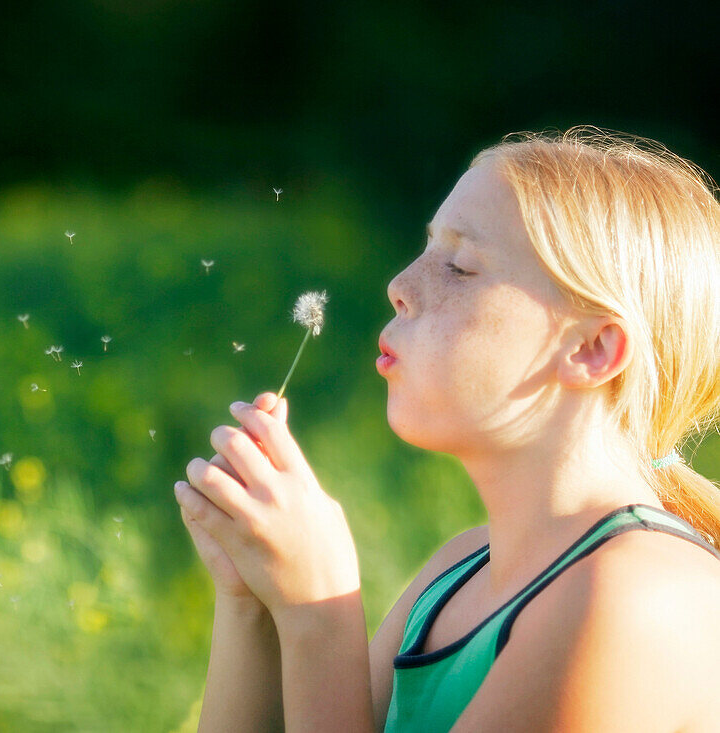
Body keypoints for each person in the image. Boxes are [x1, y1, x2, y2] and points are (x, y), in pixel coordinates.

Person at [173, 125, 720, 732]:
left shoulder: (639, 598)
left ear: (592, 348)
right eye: (427, 248)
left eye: (460, 267)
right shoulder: (458, 572)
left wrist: (315, 611)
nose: (400, 286)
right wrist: (250, 598)